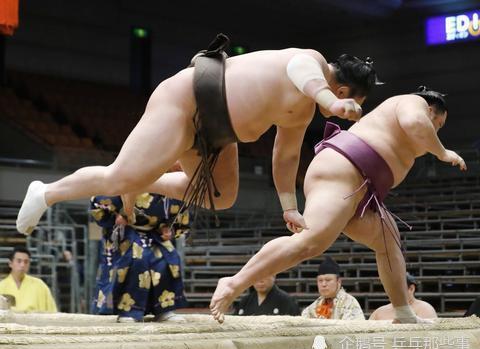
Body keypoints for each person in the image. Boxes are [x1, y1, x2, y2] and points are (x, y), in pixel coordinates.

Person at [16, 34, 380, 237]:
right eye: (352, 102)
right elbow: (300, 71)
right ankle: (45, 193)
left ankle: (147, 181)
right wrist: (329, 100)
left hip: (218, 135)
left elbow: (285, 157)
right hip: (188, 102)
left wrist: (290, 208)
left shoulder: (301, 112)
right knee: (117, 176)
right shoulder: (310, 61)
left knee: (221, 197)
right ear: (345, 91)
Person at [209, 86, 467, 324]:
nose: (437, 131)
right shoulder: (414, 103)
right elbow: (415, 122)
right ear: (431, 110)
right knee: (309, 242)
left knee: (389, 242)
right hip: (342, 170)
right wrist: (443, 152)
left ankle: (402, 311)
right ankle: (233, 283)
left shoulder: (410, 132)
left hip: (362, 191)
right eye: (438, 124)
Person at [90, 193, 189, 322]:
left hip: (155, 234)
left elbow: (180, 217)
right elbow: (100, 200)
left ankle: (164, 309)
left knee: (168, 260)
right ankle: (127, 310)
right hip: (126, 232)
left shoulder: (171, 187)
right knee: (137, 261)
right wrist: (116, 216)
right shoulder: (129, 177)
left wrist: (169, 228)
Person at [0, 246, 57, 312]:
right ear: (10, 263)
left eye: (26, 262)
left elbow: (52, 311)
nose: (22, 265)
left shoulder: (40, 285)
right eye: (19, 261)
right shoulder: (1, 286)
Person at [369, 273, 437, 320]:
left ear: (411, 289)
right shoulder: (379, 312)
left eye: (396, 288)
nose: (391, 291)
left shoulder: (425, 309)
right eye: (388, 288)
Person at [235, 274, 300, 316]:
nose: (260, 280)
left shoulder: (287, 301)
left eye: (264, 275)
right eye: (256, 276)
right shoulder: (245, 301)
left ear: (274, 276)